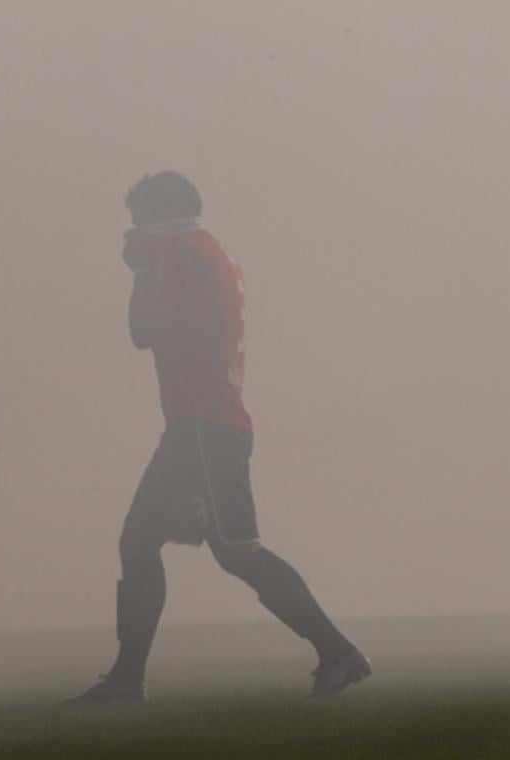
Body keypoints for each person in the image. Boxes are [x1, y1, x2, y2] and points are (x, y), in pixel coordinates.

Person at [70, 172, 370, 702]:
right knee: (144, 542)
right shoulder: (209, 251)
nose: (132, 233)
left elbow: (142, 332)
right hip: (202, 425)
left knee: (234, 550)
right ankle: (126, 679)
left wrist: (140, 270)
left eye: (138, 221)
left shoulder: (175, 254)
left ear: (160, 215)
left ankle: (339, 652)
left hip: (204, 428)